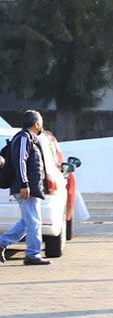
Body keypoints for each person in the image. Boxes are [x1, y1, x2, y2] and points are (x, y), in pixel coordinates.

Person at [0, 110, 51, 265]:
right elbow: (20, 161)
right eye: (41, 123)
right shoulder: (24, 138)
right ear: (36, 124)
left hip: (30, 187)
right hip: (25, 187)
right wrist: (24, 184)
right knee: (34, 221)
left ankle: (2, 243)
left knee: (26, 222)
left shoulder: (30, 139)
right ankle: (33, 255)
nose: (42, 126)